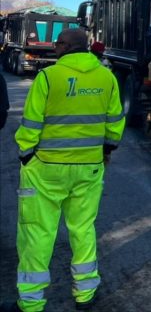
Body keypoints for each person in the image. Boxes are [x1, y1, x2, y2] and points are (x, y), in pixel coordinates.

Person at [12, 28, 125, 311]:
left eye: (58, 43)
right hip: (89, 168)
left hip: (45, 169)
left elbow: (31, 122)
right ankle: (85, 294)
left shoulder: (48, 77)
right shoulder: (107, 77)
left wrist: (26, 155)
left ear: (66, 46)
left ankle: (31, 302)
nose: (55, 46)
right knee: (83, 228)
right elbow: (114, 122)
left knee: (37, 232)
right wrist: (107, 150)